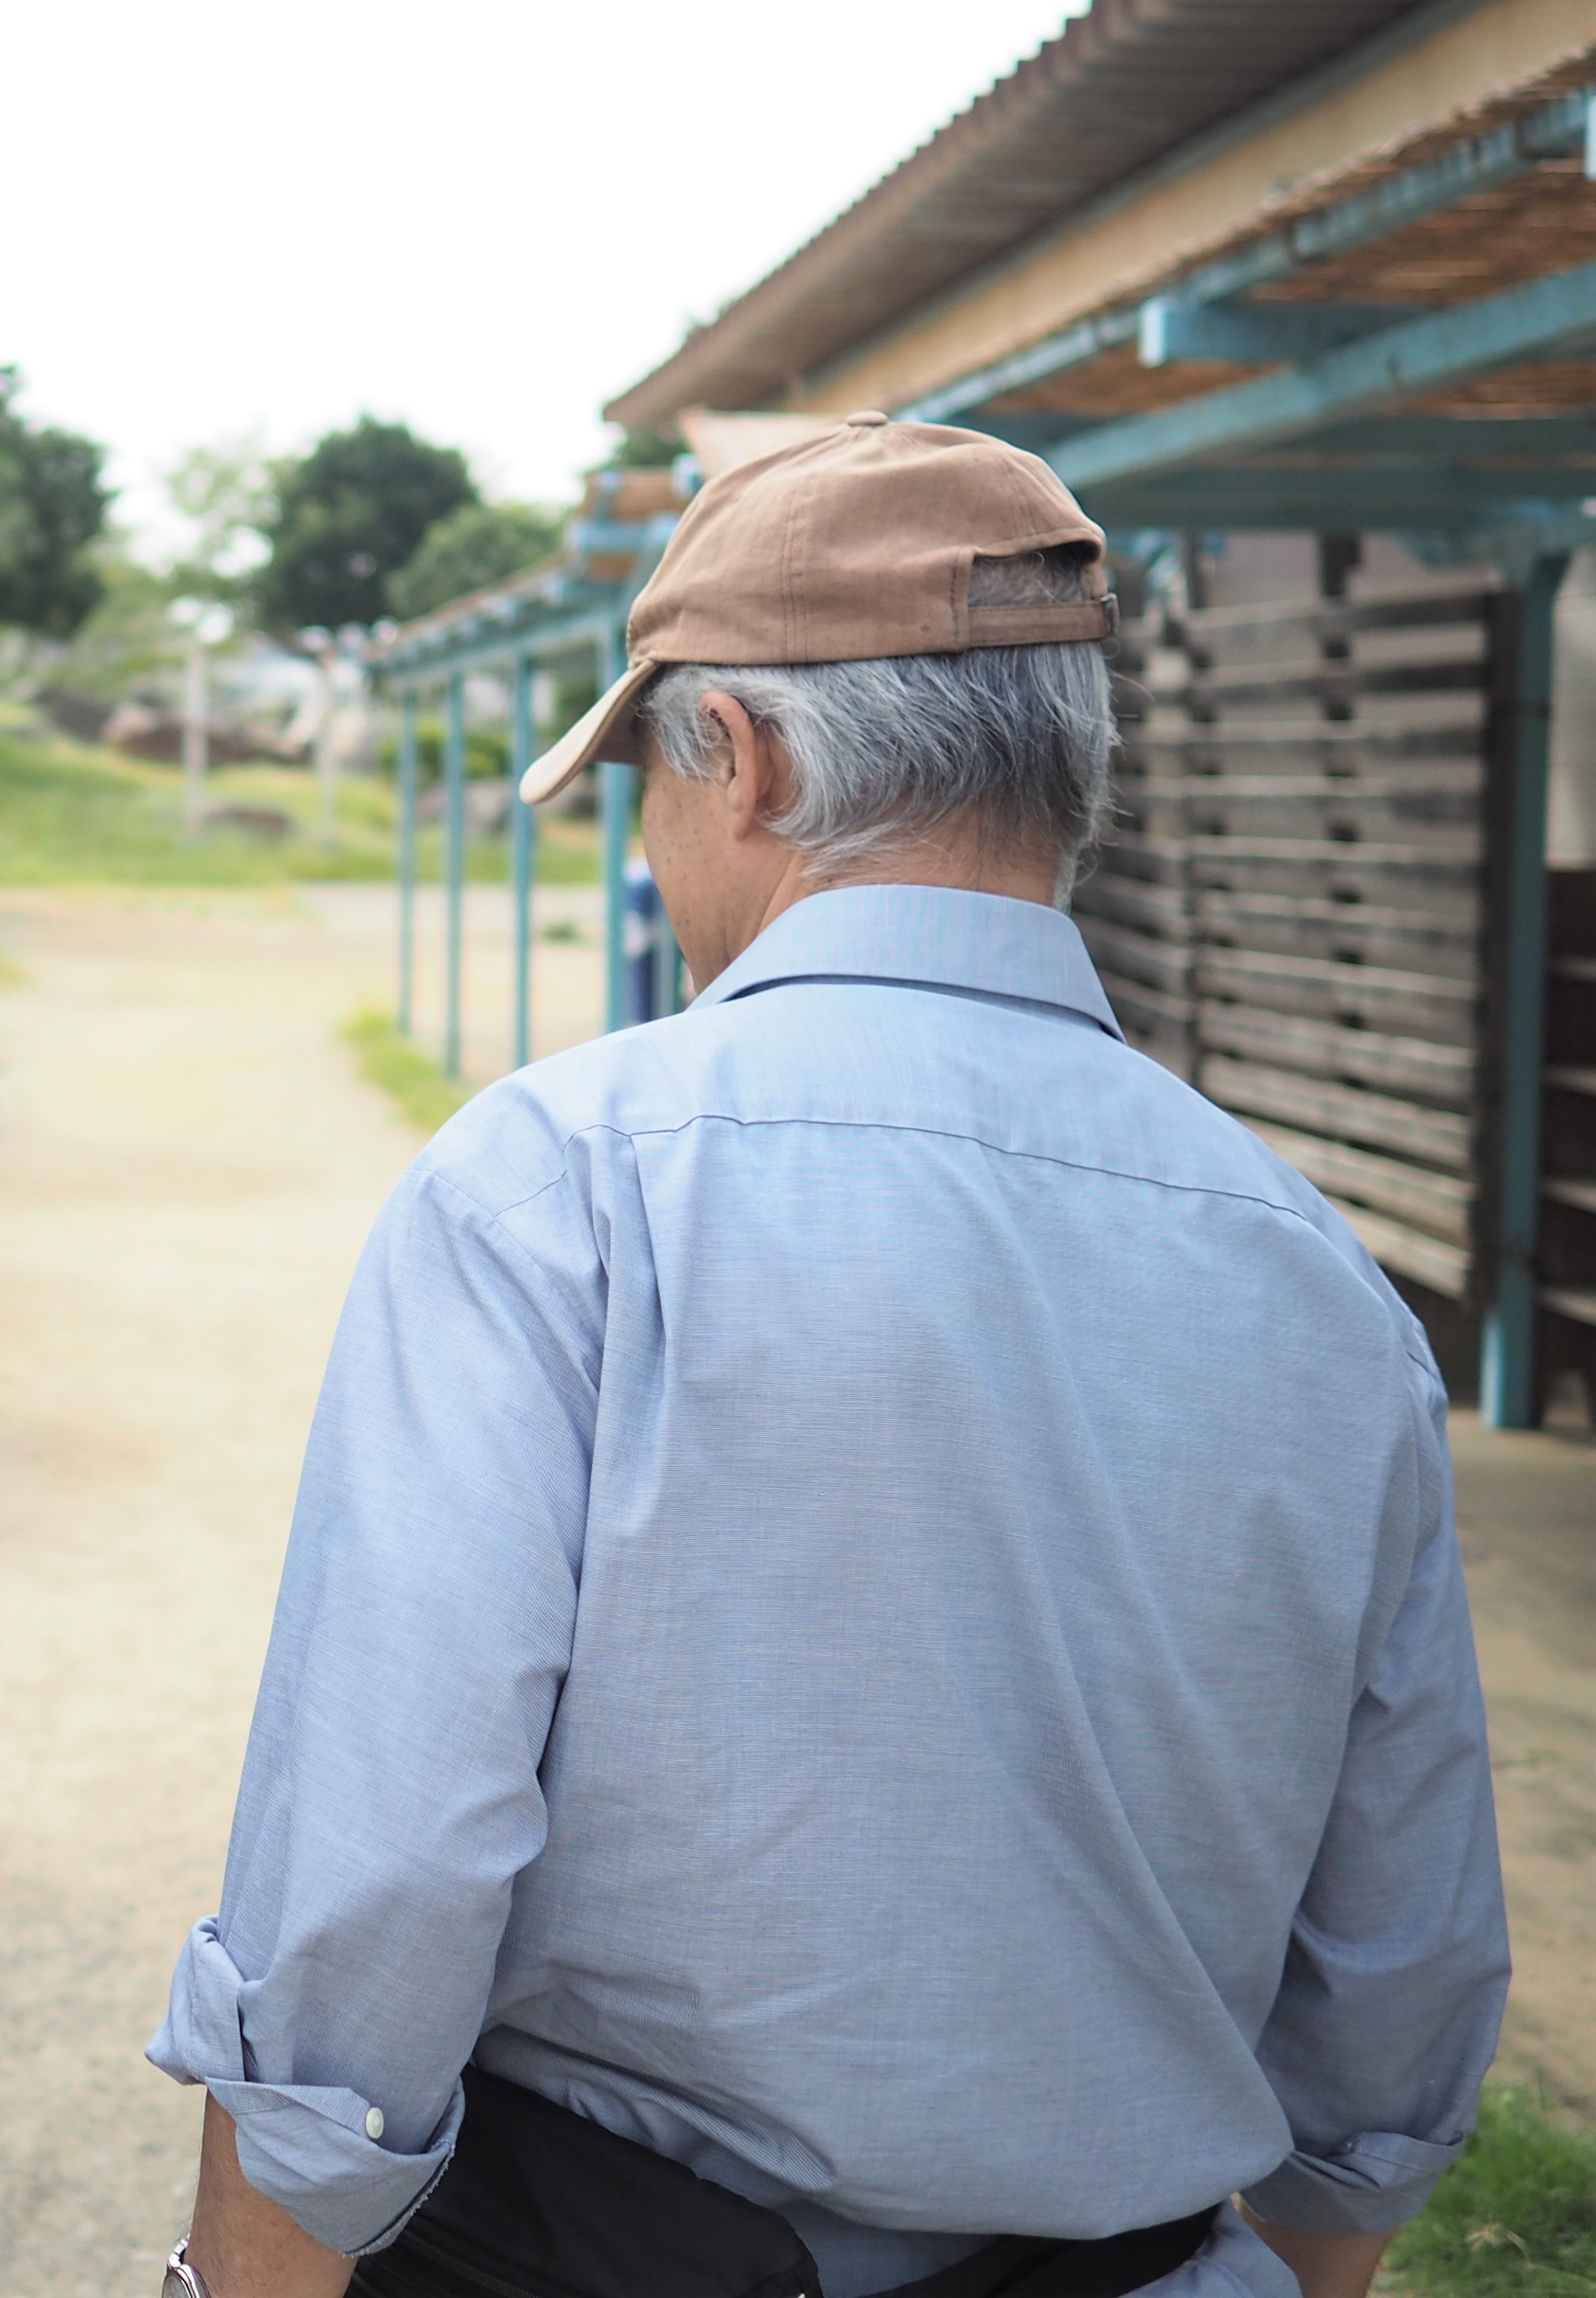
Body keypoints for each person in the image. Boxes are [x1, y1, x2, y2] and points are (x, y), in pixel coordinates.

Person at [149, 416, 1506, 2298]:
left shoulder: (558, 1186)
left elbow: (377, 1873)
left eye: (646, 770)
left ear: (749, 759)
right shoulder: (1318, 1282)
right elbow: (1397, 1952)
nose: (648, 840)